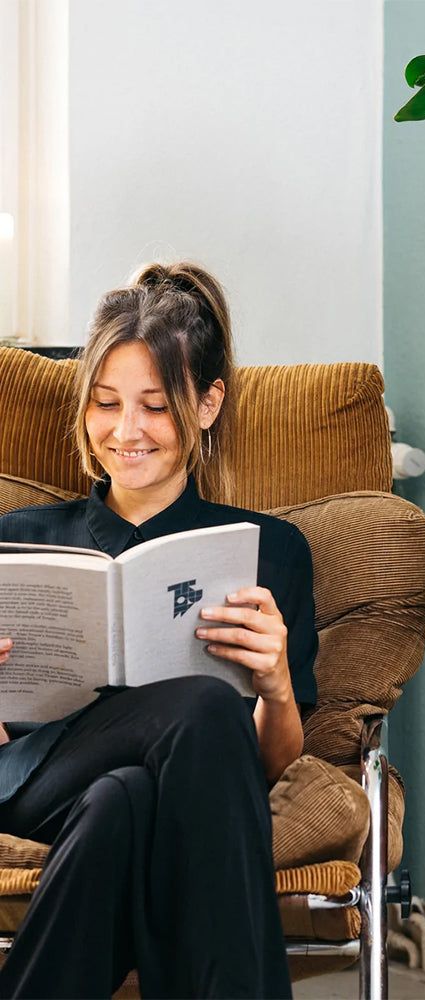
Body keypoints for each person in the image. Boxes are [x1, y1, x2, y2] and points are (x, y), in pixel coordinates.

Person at [0, 262, 318, 998]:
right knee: (203, 703)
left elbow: (268, 765)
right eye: (106, 404)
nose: (125, 431)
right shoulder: (16, 540)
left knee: (125, 800)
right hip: (28, 777)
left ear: (207, 404)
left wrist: (273, 685)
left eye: (155, 406)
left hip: (146, 796)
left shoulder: (270, 553)